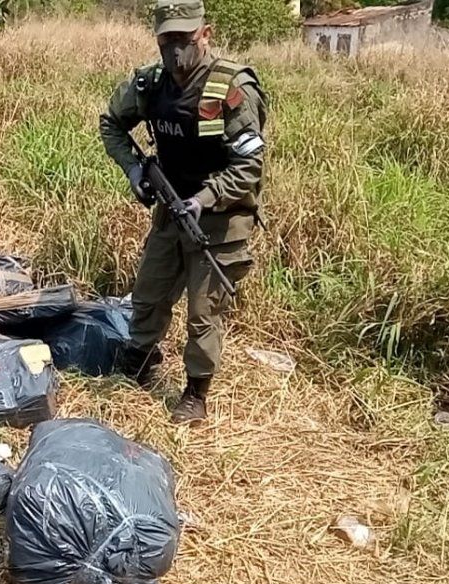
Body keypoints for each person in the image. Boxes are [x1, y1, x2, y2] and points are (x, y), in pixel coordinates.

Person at [99, 0, 267, 424]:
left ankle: (196, 392)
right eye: (166, 42)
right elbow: (111, 124)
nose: (176, 53)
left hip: (219, 219)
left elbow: (249, 165)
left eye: (185, 41)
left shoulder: (231, 89)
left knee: (203, 312)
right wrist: (135, 169)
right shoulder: (150, 84)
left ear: (205, 34)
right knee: (149, 292)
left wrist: (206, 198)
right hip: (170, 208)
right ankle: (139, 359)